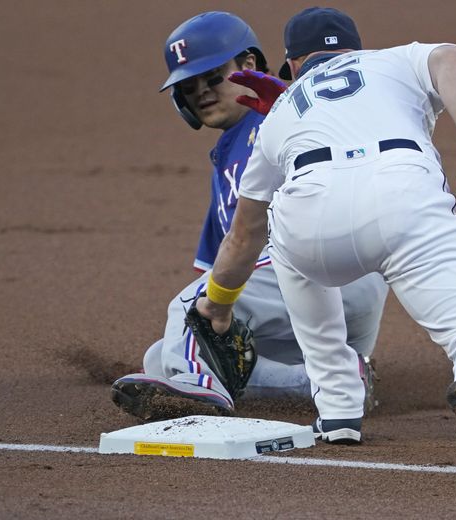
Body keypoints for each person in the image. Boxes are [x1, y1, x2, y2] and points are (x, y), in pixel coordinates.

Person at [194, 7, 456, 487]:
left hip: (310, 216)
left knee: (287, 247)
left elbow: (243, 234)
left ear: (293, 65)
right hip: (402, 197)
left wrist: (218, 301)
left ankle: (338, 411)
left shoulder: (281, 111)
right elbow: (454, 59)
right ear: (355, 49)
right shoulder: (393, 61)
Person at [110, 11, 388, 421]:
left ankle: (201, 391)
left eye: (212, 76)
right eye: (189, 86)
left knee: (192, 308)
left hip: (333, 269)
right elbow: (219, 261)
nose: (201, 92)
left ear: (248, 67)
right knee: (162, 356)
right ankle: (334, 380)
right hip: (308, 307)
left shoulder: (277, 117)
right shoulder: (225, 160)